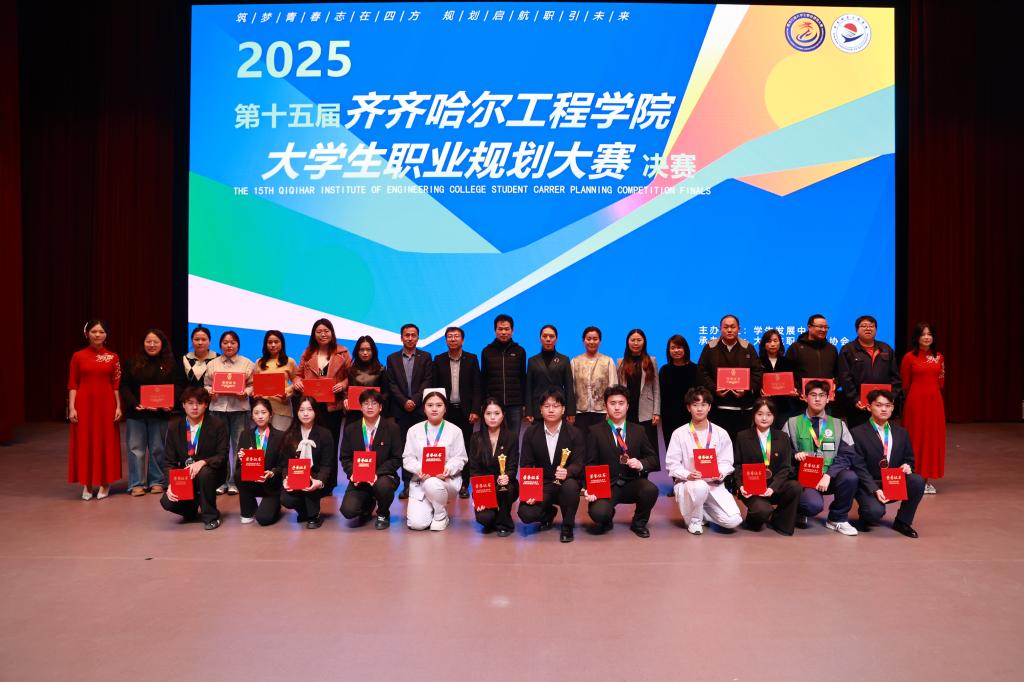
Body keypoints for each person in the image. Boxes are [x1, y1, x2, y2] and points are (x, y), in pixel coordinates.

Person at [782, 380, 860, 536]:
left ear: (828, 398)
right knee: (812, 505)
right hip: (806, 478)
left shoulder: (839, 424)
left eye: (822, 395)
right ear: (805, 397)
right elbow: (782, 451)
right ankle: (799, 510)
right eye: (813, 395)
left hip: (829, 476)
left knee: (850, 477)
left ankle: (837, 518)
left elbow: (847, 454)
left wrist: (829, 475)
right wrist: (794, 454)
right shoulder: (792, 423)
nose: (817, 399)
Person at [583, 386, 660, 538]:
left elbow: (653, 459)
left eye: (621, 403)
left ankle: (639, 523)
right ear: (606, 406)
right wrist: (589, 487)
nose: (617, 407)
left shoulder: (638, 430)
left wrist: (640, 463)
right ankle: (607, 517)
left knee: (650, 490)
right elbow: (590, 463)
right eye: (612, 403)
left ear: (627, 406)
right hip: (606, 485)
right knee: (599, 513)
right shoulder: (595, 431)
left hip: (632, 483)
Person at [847, 389, 925, 538]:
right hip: (869, 483)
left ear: (893, 408)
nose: (884, 409)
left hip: (893, 481)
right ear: (869, 407)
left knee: (917, 481)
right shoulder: (857, 433)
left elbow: (909, 458)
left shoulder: (901, 433)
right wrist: (875, 489)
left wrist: (907, 466)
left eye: (888, 405)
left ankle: (902, 521)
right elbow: (858, 466)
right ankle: (866, 516)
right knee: (874, 512)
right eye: (879, 405)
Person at [665, 387, 742, 534]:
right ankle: (695, 520)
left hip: (713, 484)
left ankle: (702, 511)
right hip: (689, 484)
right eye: (695, 405)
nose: (699, 409)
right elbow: (672, 464)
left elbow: (727, 461)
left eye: (703, 405)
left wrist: (720, 473)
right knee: (699, 486)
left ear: (709, 407)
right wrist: (688, 475)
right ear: (688, 408)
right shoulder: (679, 433)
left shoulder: (721, 433)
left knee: (733, 521)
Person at [517, 388, 586, 543]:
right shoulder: (531, 433)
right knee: (525, 513)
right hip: (543, 483)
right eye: (547, 406)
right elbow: (526, 464)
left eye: (556, 406)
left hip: (565, 482)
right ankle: (548, 513)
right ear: (540, 409)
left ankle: (567, 526)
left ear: (563, 409)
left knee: (571, 487)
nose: (551, 410)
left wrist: (568, 472)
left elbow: (579, 462)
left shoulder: (575, 433)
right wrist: (530, 491)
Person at [120, 328, 180, 497]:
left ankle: (157, 482)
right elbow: (124, 386)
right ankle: (136, 483)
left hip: (160, 414)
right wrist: (134, 403)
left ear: (162, 344)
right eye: (148, 341)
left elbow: (177, 386)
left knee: (158, 449)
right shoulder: (132, 363)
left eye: (155, 342)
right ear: (143, 343)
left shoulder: (170, 364)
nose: (152, 345)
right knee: (135, 449)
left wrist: (171, 403)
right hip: (137, 413)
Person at [68, 319, 122, 500]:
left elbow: (116, 385)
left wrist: (118, 406)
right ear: (87, 334)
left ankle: (105, 483)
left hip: (106, 404)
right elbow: (73, 384)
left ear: (106, 335)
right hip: (84, 404)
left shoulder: (113, 357)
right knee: (85, 441)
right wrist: (72, 407)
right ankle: (87, 484)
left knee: (105, 441)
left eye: (101, 331)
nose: (97, 334)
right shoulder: (78, 356)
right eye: (94, 331)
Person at [160, 386, 228, 530]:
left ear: (206, 405)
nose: (195, 407)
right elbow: (169, 461)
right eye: (190, 403)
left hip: (212, 472)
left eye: (199, 403)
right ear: (183, 405)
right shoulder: (174, 427)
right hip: (186, 476)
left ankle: (211, 516)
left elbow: (222, 455)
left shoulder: (217, 425)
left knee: (204, 473)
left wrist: (203, 462)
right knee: (167, 502)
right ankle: (191, 509)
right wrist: (171, 484)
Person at [732, 398, 801, 535]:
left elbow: (786, 467)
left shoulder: (783, 437)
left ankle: (780, 522)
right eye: (760, 414)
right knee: (762, 511)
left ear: (774, 416)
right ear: (754, 415)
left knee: (795, 487)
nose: (764, 418)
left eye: (769, 414)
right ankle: (753, 519)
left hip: (773, 486)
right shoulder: (742, 436)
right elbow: (737, 465)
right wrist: (741, 486)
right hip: (751, 489)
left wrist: (772, 488)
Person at [294, 318, 351, 484]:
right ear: (314, 334)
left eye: (326, 331)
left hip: (333, 406)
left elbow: (351, 376)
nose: (323, 334)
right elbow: (298, 375)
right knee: (312, 441)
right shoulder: (308, 353)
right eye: (319, 331)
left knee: (331, 442)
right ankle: (311, 477)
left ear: (332, 333)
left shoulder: (342, 353)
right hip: (312, 406)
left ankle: (329, 481)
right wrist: (297, 381)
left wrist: (343, 384)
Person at [401, 392, 468, 531]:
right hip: (421, 480)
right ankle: (432, 505)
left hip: (446, 481)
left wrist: (448, 469)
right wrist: (419, 469)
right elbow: (407, 458)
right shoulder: (413, 430)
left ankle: (440, 515)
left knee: (432, 483)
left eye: (439, 405)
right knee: (417, 524)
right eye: (430, 405)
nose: (434, 409)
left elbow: (460, 457)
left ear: (445, 408)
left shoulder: (455, 431)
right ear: (424, 409)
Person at [339, 389, 402, 530]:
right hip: (359, 477)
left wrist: (375, 474)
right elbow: (345, 457)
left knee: (383, 486)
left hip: (384, 475)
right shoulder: (351, 429)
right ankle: (367, 505)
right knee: (348, 511)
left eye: (374, 403)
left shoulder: (392, 428)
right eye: (366, 403)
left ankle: (383, 513)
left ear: (380, 407)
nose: (369, 407)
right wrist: (353, 473)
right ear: (360, 407)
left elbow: (397, 458)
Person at [696, 315, 763, 443]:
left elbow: (758, 372)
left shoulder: (748, 347)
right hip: (718, 408)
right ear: (720, 329)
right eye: (726, 327)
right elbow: (702, 372)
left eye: (733, 327)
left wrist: (747, 389)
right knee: (718, 444)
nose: (729, 330)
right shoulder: (710, 347)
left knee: (742, 445)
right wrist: (714, 389)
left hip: (743, 408)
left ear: (739, 329)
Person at [433, 326, 482, 498]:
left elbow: (477, 387)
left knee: (465, 448)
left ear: (462, 340)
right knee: (445, 446)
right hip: (446, 412)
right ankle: (446, 480)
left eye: (456, 336)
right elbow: (435, 387)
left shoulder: (472, 359)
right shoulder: (438, 359)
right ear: (446, 340)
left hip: (465, 412)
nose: (453, 339)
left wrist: (475, 410)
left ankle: (464, 484)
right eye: (450, 336)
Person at [385, 323, 433, 498]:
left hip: (420, 410)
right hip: (401, 410)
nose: (410, 338)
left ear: (418, 338)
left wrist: (415, 400)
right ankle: (407, 484)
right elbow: (391, 384)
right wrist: (404, 401)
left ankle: (424, 482)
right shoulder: (392, 358)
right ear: (401, 337)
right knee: (405, 448)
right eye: (407, 335)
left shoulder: (426, 357)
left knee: (423, 446)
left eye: (413, 335)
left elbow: (428, 380)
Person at [204, 330, 254, 495]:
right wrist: (210, 392)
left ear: (238, 344)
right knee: (220, 447)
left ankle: (235, 481)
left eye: (232, 342)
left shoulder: (247, 363)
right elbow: (206, 384)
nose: (229, 345)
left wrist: (246, 392)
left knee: (239, 446)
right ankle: (221, 481)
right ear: (220, 345)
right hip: (217, 409)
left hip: (239, 409)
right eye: (225, 342)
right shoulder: (212, 364)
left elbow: (252, 385)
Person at [900, 323, 946, 494]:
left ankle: (926, 479)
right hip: (915, 402)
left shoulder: (939, 357)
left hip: (935, 403)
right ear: (917, 337)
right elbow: (905, 384)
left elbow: (941, 382)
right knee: (915, 437)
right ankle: (913, 478)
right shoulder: (909, 357)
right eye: (923, 334)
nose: (926, 337)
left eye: (929, 334)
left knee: (931, 439)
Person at [280, 397, 335, 529]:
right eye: (302, 410)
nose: (305, 413)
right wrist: (286, 479)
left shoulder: (325, 434)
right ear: (296, 412)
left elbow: (327, 465)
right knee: (286, 499)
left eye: (309, 410)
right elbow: (285, 464)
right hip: (296, 477)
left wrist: (319, 481)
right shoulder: (290, 435)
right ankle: (305, 512)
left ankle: (314, 515)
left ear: (315, 412)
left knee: (309, 484)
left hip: (318, 477)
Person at [838, 315, 902, 427]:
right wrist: (855, 399)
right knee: (859, 434)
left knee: (881, 434)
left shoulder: (886, 349)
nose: (868, 328)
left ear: (876, 329)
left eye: (871, 326)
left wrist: (891, 397)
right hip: (858, 406)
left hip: (882, 405)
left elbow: (895, 376)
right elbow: (845, 378)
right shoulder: (848, 350)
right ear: (857, 329)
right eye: (864, 326)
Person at [468, 399, 520, 536]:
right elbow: (474, 470)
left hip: (505, 484)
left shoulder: (511, 437)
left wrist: (507, 476)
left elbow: (512, 466)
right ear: (483, 415)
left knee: (506, 488)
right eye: (488, 413)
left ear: (503, 415)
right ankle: (495, 516)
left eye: (497, 413)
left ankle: (504, 523)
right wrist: (479, 494)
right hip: (484, 487)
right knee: (485, 518)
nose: (492, 417)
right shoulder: (475, 438)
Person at [234, 398, 285, 526]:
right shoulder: (245, 435)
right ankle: (248, 510)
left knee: (264, 519)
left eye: (264, 412)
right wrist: (242, 460)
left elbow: (284, 465)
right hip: (252, 482)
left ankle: (275, 505)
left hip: (271, 484)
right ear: (252, 415)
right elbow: (238, 465)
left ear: (271, 414)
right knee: (239, 474)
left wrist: (272, 473)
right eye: (256, 413)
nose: (260, 416)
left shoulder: (281, 436)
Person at [480, 313, 527, 440]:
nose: (503, 332)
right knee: (493, 439)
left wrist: (524, 404)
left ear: (512, 330)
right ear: (495, 330)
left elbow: (523, 378)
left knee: (513, 439)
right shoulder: (486, 351)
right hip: (493, 404)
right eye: (500, 329)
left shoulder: (520, 351)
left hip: (515, 405)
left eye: (507, 329)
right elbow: (483, 379)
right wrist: (483, 402)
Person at [617, 329, 661, 454]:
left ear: (644, 342)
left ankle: (648, 467)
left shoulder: (651, 360)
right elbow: (618, 388)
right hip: (627, 411)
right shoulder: (620, 362)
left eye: (639, 340)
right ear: (628, 342)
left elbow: (656, 388)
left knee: (648, 447)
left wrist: (656, 412)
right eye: (633, 340)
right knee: (629, 446)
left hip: (646, 412)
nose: (635, 343)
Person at [570, 326, 618, 433]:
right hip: (580, 412)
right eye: (588, 339)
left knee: (601, 441)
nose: (592, 342)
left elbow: (613, 388)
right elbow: (571, 389)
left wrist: (611, 411)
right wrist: (571, 411)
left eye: (595, 339)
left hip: (602, 413)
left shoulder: (608, 361)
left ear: (600, 341)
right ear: (583, 340)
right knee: (581, 441)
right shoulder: (575, 361)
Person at [526, 324, 576, 425]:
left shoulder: (564, 360)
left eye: (551, 336)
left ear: (556, 339)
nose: (548, 339)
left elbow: (569, 387)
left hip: (558, 406)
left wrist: (570, 411)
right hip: (538, 408)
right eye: (545, 336)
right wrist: (529, 411)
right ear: (540, 338)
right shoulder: (532, 361)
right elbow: (528, 388)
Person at [785, 314, 838, 400]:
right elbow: (787, 372)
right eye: (820, 327)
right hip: (801, 399)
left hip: (825, 399)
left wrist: (835, 385)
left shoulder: (832, 349)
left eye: (826, 327)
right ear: (809, 327)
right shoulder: (796, 347)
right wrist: (797, 390)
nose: (823, 330)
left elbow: (838, 373)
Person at [659, 334, 698, 452]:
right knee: (672, 449)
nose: (676, 350)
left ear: (685, 349)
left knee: (691, 449)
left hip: (690, 415)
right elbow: (660, 394)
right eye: (673, 348)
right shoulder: (664, 370)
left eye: (679, 347)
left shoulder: (695, 369)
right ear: (668, 350)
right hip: (669, 417)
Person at [252, 329, 297, 432]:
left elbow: (297, 381)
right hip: (262, 409)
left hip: (282, 408)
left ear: (282, 343)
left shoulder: (290, 361)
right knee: (263, 439)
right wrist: (255, 392)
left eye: (276, 342)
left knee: (281, 439)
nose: (273, 345)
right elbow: (255, 384)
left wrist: (286, 392)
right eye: (270, 342)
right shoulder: (259, 362)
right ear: (265, 344)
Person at [344, 335, 389, 427]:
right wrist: (345, 399)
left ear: (373, 351)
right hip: (354, 414)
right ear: (357, 351)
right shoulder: (350, 370)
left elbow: (386, 393)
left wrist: (377, 405)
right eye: (362, 350)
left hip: (374, 414)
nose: (365, 353)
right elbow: (346, 391)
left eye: (368, 350)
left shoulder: (381, 370)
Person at [759, 329, 799, 426]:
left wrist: (795, 390)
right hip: (763, 406)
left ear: (780, 343)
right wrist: (759, 390)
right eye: (769, 341)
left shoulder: (788, 362)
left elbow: (795, 382)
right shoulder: (758, 362)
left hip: (784, 407)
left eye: (775, 341)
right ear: (764, 344)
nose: (772, 344)